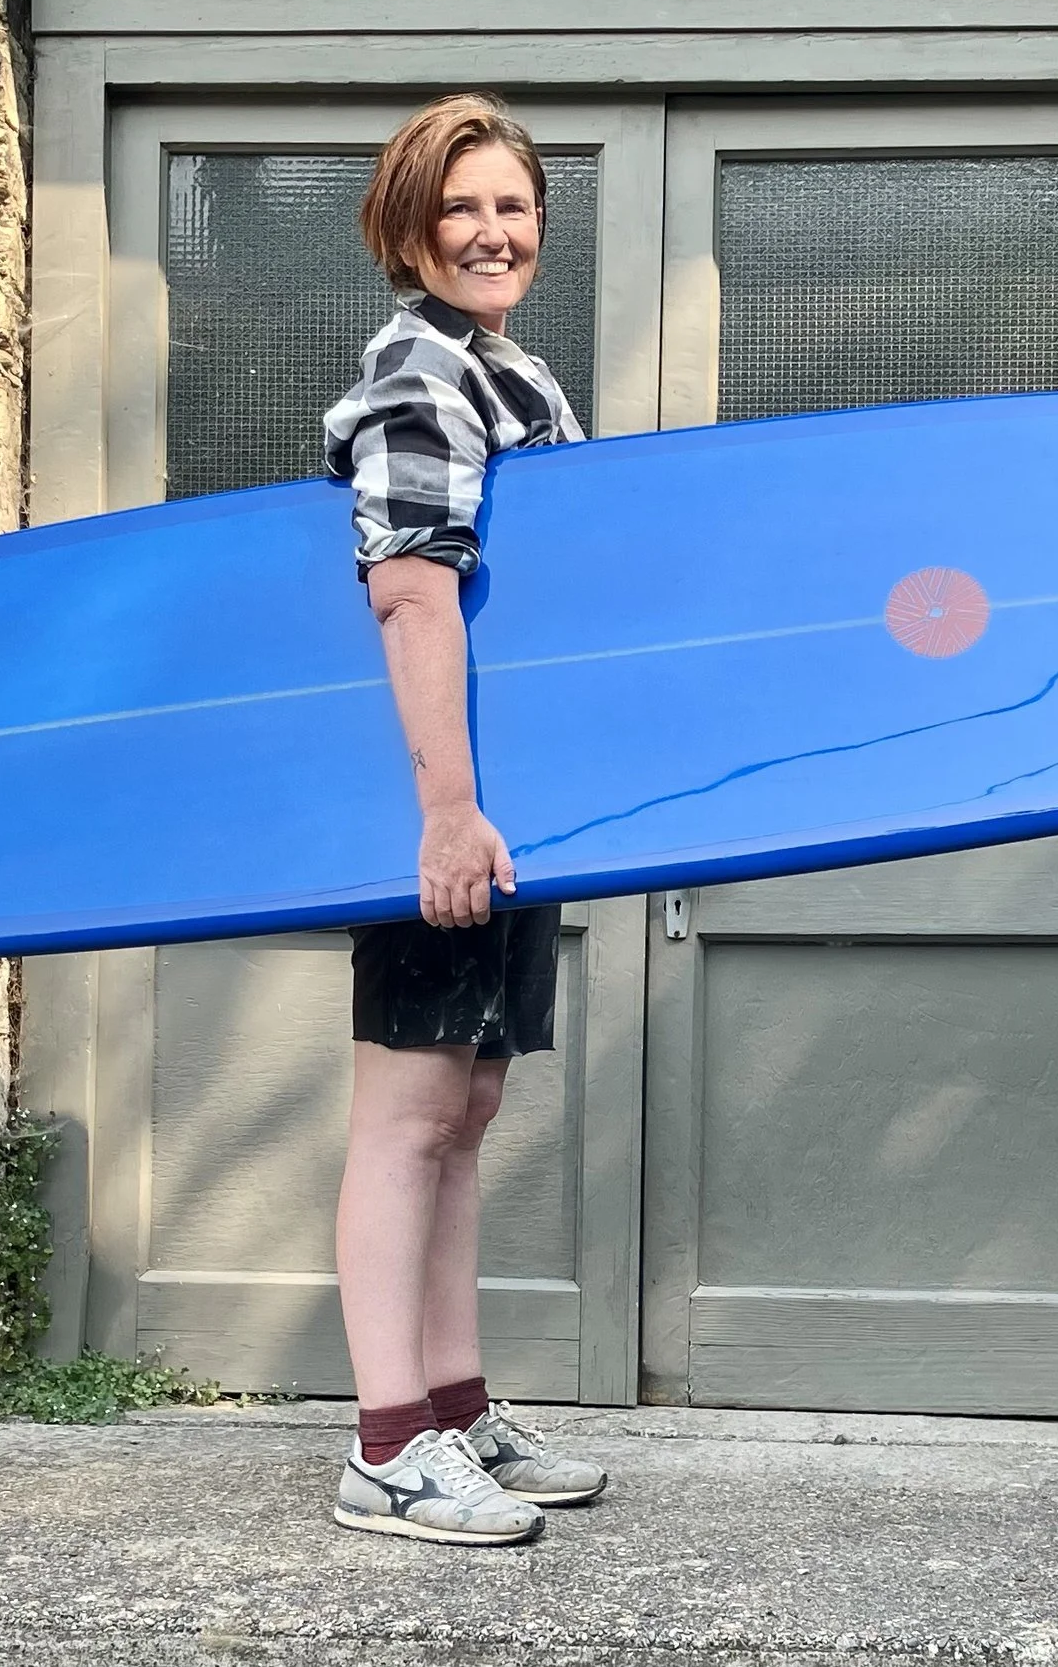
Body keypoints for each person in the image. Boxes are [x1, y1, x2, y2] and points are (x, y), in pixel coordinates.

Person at [318, 94, 610, 1545]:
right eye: (462, 210)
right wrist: (448, 811)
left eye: (512, 206)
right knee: (408, 1110)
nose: (493, 233)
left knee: (469, 1106)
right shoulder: (416, 372)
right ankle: (385, 1445)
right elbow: (412, 590)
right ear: (409, 228)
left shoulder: (514, 374)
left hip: (516, 808)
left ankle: (452, 1407)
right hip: (441, 802)